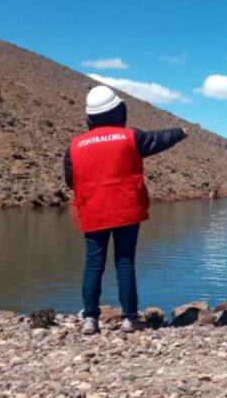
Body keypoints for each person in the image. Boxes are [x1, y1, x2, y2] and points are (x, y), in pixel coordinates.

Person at [64, 85, 187, 335]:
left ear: (90, 117)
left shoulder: (75, 145)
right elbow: (158, 139)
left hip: (93, 211)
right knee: (124, 262)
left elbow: (70, 179)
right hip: (126, 209)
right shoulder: (130, 137)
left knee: (93, 264)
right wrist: (180, 132)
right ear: (117, 111)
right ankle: (130, 318)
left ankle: (90, 319)